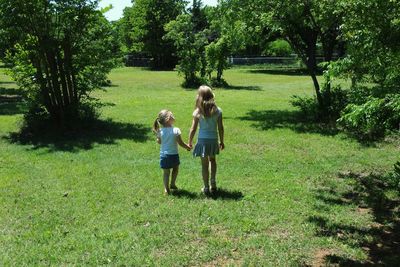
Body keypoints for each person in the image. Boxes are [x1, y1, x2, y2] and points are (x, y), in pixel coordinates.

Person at [189, 85, 224, 195]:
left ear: (199, 97)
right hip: (213, 140)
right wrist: (221, 141)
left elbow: (193, 129)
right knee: (212, 161)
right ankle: (213, 183)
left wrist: (189, 141)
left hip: (202, 142)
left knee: (204, 165)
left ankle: (206, 187)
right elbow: (220, 127)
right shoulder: (217, 111)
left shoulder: (197, 112)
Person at [153, 109, 191, 195]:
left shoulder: (160, 131)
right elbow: (180, 143)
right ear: (168, 119)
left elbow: (159, 142)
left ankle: (166, 189)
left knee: (166, 173)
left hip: (164, 155)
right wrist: (187, 147)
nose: (174, 117)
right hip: (173, 155)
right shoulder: (176, 130)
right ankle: (172, 183)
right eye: (172, 115)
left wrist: (159, 138)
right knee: (175, 169)